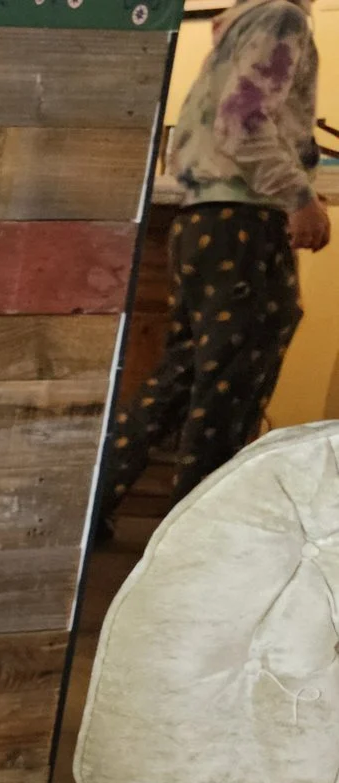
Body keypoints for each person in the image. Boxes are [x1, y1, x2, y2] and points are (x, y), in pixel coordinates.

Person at [98, 0, 327, 536]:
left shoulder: (240, 24)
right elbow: (241, 119)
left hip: (201, 219)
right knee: (230, 390)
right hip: (245, 219)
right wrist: (298, 195)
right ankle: (198, 538)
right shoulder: (281, 19)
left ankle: (99, 503)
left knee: (180, 377)